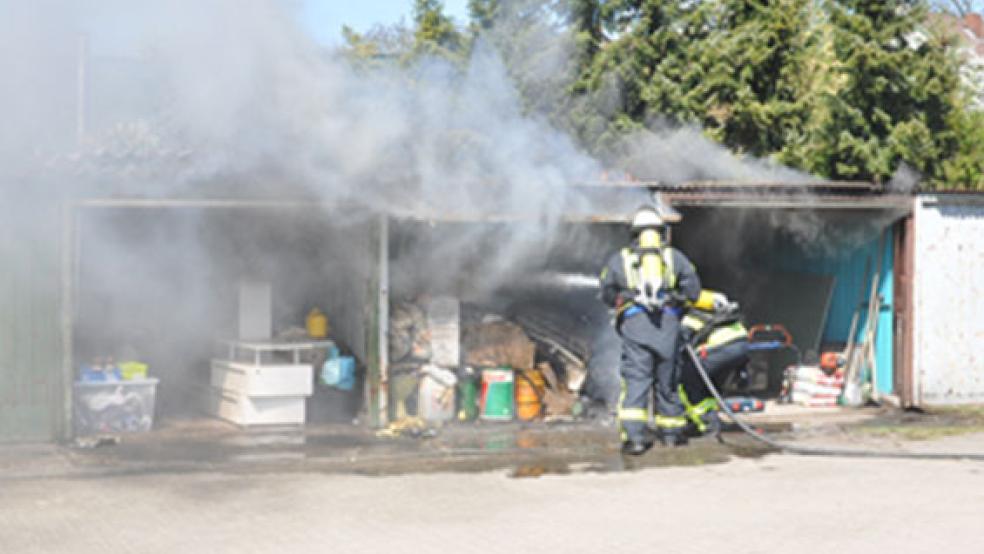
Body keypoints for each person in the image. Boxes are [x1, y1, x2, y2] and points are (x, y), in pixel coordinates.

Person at [598, 205, 702, 454]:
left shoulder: (619, 259)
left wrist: (624, 296)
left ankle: (634, 439)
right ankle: (671, 434)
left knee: (636, 382)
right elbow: (694, 292)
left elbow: (606, 293)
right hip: (668, 327)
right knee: (668, 382)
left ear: (634, 233)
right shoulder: (675, 258)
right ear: (661, 231)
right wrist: (675, 297)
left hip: (636, 327)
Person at [678, 291, 750, 436]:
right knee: (709, 384)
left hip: (719, 350)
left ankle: (708, 424)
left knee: (687, 381)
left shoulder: (692, 316)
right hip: (741, 347)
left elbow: (680, 341)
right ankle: (704, 420)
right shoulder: (722, 311)